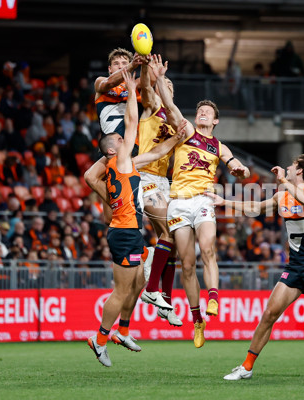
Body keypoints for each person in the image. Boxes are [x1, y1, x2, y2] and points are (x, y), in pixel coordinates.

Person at [208, 154, 304, 380]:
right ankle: (246, 367)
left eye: (293, 166)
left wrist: (284, 181)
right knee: (269, 314)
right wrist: (226, 203)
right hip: (294, 266)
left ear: (300, 171)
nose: (288, 167)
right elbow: (256, 206)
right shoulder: (282, 196)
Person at [84, 68, 185, 367]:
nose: (123, 137)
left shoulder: (123, 164)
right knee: (122, 290)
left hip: (127, 231)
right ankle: (100, 339)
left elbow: (155, 155)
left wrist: (176, 139)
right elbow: (130, 123)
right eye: (118, 139)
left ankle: (124, 329)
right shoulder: (122, 157)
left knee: (143, 274)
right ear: (114, 148)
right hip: (125, 232)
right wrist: (130, 92)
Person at [151, 54, 250, 348]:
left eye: (208, 111)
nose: (203, 113)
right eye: (201, 110)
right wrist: (158, 78)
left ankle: (214, 297)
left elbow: (236, 166)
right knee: (186, 263)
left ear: (216, 120)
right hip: (179, 202)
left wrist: (240, 170)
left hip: (204, 200)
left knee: (208, 248)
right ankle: (197, 321)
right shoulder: (188, 132)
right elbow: (169, 105)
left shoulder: (218, 145)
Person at [135, 55, 181, 326]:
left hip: (165, 182)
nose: (167, 88)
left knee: (173, 242)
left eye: (170, 86)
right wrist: (146, 69)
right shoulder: (152, 106)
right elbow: (145, 88)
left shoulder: (174, 118)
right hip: (146, 177)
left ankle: (165, 301)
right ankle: (152, 289)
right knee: (168, 232)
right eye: (164, 84)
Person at [94, 48, 142, 156]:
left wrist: (147, 63)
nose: (120, 66)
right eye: (116, 64)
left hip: (133, 146)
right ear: (109, 69)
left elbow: (149, 80)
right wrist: (131, 65)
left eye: (124, 63)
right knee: (90, 174)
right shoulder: (100, 81)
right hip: (110, 148)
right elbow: (110, 82)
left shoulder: (135, 84)